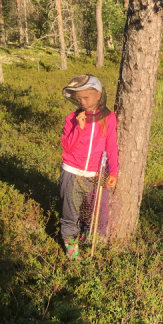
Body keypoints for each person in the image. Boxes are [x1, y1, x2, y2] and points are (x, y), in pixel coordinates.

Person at [60, 75, 119, 259]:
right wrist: (79, 127)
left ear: (98, 95)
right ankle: (71, 247)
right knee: (70, 210)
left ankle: (88, 239)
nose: (82, 102)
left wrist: (114, 171)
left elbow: (111, 146)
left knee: (97, 212)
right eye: (79, 99)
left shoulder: (109, 118)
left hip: (96, 174)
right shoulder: (72, 118)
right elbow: (67, 147)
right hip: (72, 172)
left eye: (86, 98)